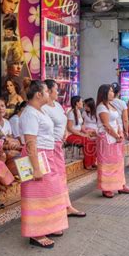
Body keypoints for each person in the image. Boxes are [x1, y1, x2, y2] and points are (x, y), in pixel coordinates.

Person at [19, 80, 69, 248]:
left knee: (50, 193)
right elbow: (31, 142)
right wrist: (36, 168)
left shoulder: (40, 111)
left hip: (47, 155)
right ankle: (36, 233)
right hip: (37, 157)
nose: (49, 94)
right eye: (47, 91)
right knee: (37, 197)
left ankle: (49, 225)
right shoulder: (30, 113)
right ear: (39, 94)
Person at [42, 80, 86, 218]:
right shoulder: (42, 108)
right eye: (56, 89)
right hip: (49, 146)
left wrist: (65, 134)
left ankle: (66, 205)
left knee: (61, 176)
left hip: (59, 144)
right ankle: (57, 207)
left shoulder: (58, 106)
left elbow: (65, 124)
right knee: (53, 178)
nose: (58, 92)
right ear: (47, 91)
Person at [96, 84, 129, 198]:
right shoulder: (101, 107)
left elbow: (116, 121)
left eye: (113, 91)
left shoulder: (111, 105)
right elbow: (106, 125)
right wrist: (116, 135)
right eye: (110, 91)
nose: (113, 93)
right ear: (104, 93)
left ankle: (121, 185)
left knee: (118, 163)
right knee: (107, 164)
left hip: (116, 137)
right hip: (106, 139)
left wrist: (120, 133)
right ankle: (106, 188)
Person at [64, 95, 97, 170]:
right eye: (81, 101)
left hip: (78, 134)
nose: (82, 103)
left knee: (92, 140)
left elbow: (81, 125)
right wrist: (82, 134)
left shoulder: (78, 111)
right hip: (71, 135)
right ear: (77, 103)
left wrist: (86, 132)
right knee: (88, 141)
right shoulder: (71, 113)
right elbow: (69, 128)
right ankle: (88, 164)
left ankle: (93, 162)